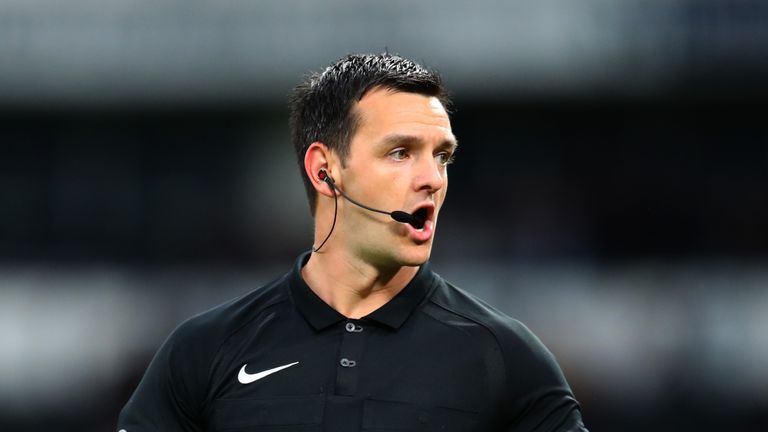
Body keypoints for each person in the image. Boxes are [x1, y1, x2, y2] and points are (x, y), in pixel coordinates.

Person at [118, 53, 588, 432]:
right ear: (325, 171)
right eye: (400, 152)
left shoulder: (504, 356)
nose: (432, 179)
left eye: (442, 156)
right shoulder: (204, 350)